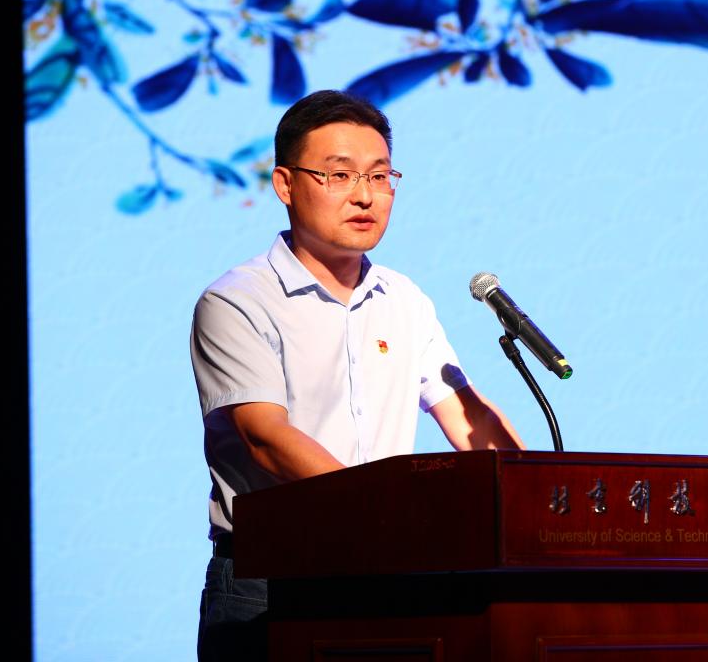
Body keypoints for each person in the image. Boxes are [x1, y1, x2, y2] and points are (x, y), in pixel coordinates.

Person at [189, 90, 524, 660]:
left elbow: (465, 415)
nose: (365, 195)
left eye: (380, 176)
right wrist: (384, 514)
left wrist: (529, 498)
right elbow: (264, 436)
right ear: (285, 184)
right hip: (272, 583)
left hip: (386, 574)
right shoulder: (238, 301)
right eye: (339, 175)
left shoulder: (404, 300)